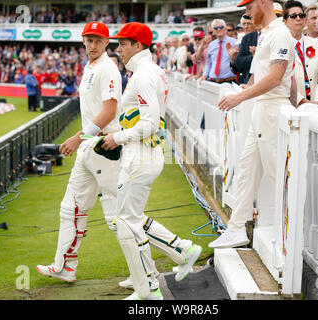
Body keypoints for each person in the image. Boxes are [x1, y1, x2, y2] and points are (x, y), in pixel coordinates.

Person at [104, 22, 202, 300]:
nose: (118, 49)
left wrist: (117, 138)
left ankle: (148, 286)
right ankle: (182, 251)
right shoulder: (150, 71)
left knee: (126, 222)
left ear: (137, 45)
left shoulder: (144, 75)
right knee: (130, 219)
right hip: (144, 153)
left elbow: (148, 123)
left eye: (122, 44)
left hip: (141, 154)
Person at [36, 21, 124, 283]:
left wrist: (77, 137)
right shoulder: (90, 66)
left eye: (98, 40)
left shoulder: (108, 67)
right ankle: (65, 266)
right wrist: (82, 139)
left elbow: (109, 112)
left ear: (107, 42)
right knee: (71, 208)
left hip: (104, 147)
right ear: (83, 41)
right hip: (90, 146)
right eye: (89, 40)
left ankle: (175, 252)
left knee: (118, 217)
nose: (93, 45)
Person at [210, 0, 295, 249]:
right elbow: (261, 75)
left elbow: (276, 77)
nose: (246, 12)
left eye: (249, 6)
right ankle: (236, 228)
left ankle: (291, 236)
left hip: (272, 110)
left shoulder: (279, 33)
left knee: (278, 174)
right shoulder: (268, 33)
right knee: (247, 170)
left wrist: (240, 96)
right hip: (262, 109)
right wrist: (246, 89)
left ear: (263, 3)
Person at [284, 0, 318, 107]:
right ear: (285, 21)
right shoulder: (282, 45)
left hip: (317, 106)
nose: (298, 18)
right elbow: (284, 79)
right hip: (294, 106)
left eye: (301, 15)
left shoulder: (315, 44)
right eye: (293, 16)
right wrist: (302, 101)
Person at [200, 19, 238, 84]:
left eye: (221, 27)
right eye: (216, 28)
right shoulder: (211, 45)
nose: (218, 29)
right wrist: (204, 75)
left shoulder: (234, 42)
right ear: (213, 30)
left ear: (225, 28)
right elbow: (209, 63)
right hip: (213, 81)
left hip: (229, 81)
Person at [234, 14, 260, 84]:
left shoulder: (266, 35)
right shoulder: (245, 38)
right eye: (244, 24)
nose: (245, 27)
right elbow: (239, 62)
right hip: (245, 80)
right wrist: (254, 56)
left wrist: (257, 55)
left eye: (248, 24)